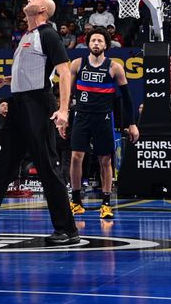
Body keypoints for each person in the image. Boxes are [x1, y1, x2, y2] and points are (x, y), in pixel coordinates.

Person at [0, 0, 78, 244]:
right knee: (1, 167)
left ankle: (67, 230)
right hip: (18, 104)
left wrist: (64, 110)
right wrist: (8, 80)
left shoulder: (48, 34)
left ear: (43, 9)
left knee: (47, 166)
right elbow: (31, 72)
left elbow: (64, 72)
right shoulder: (26, 36)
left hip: (38, 105)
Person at [66, 28, 139, 219]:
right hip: (81, 116)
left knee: (105, 160)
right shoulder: (77, 64)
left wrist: (131, 124)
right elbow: (67, 92)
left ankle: (106, 203)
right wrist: (63, 114)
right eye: (93, 41)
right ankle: (75, 200)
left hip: (104, 118)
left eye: (100, 41)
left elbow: (127, 97)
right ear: (88, 44)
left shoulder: (114, 67)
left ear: (106, 45)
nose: (96, 43)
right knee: (75, 157)